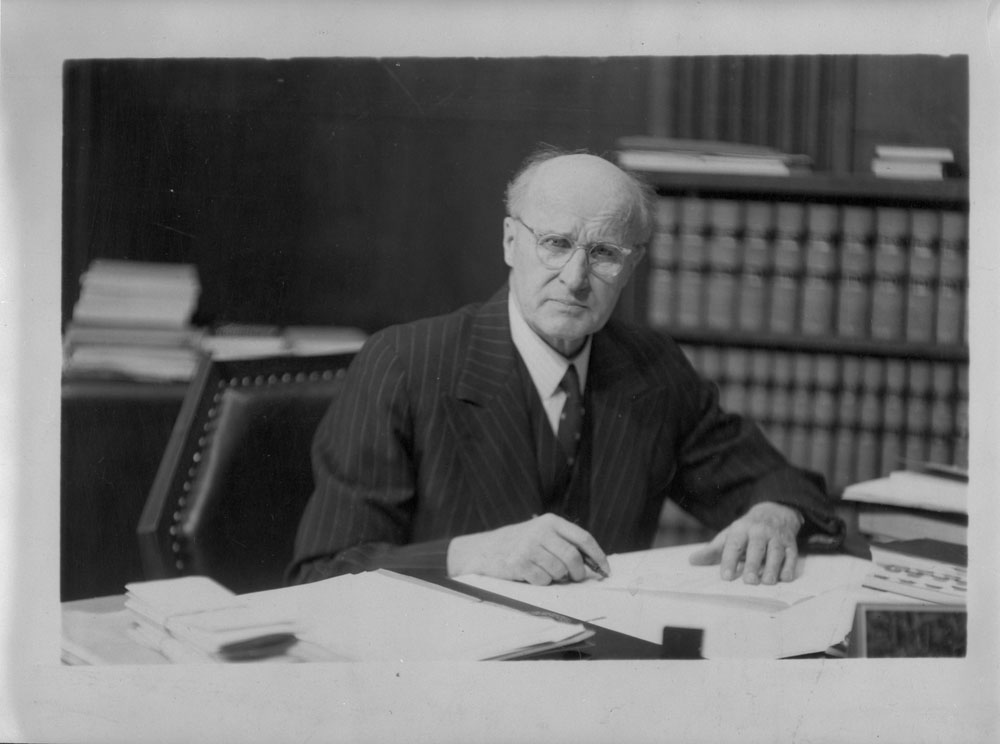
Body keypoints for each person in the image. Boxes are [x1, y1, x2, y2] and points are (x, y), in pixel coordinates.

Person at [289, 147, 844, 588]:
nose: (576, 278)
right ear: (511, 242)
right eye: (555, 244)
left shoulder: (652, 369)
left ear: (633, 267)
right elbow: (322, 573)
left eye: (604, 254)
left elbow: (784, 484)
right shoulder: (404, 364)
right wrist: (470, 554)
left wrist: (774, 515)